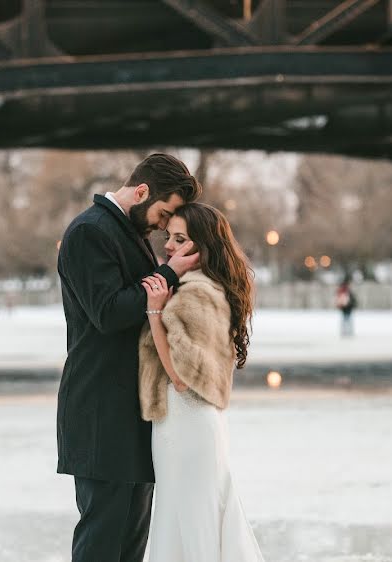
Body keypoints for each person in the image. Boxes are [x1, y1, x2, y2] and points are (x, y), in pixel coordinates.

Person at [56, 153, 202, 562]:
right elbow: (108, 312)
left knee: (130, 543)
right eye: (163, 212)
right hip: (100, 410)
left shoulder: (127, 231)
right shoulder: (89, 232)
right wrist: (169, 273)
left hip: (130, 411)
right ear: (141, 192)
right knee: (102, 541)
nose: (162, 225)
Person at [139, 203, 265, 561]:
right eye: (169, 237)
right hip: (183, 425)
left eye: (180, 239)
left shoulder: (197, 292)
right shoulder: (198, 287)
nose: (168, 246)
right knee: (184, 522)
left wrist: (154, 312)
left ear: (201, 247)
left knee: (192, 525)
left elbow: (181, 377)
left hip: (188, 424)